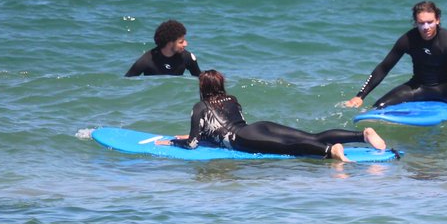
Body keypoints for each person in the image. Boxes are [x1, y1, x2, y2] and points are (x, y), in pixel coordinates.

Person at [162, 70, 389, 162]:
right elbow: (226, 124)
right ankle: (361, 135)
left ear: (203, 88)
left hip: (244, 139)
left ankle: (331, 151)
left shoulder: (199, 106)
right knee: (310, 136)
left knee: (292, 147)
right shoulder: (231, 100)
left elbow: (192, 144)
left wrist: (174, 141)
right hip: (259, 127)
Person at [344, 1, 447, 117]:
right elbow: (384, 67)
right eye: (421, 23)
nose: (426, 27)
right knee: (378, 107)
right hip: (418, 87)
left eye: (430, 22)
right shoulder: (408, 40)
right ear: (415, 22)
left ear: (437, 20)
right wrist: (360, 96)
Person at [125, 19, 200, 77]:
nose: (186, 44)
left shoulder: (187, 58)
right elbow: (126, 82)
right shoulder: (146, 61)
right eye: (181, 42)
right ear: (170, 43)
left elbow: (201, 82)